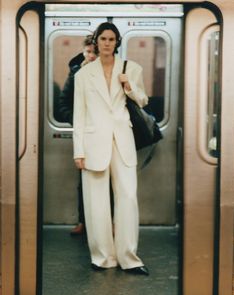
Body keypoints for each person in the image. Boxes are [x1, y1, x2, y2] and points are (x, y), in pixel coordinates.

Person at [73, 22, 149, 275]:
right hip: (94, 141)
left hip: (122, 139)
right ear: (96, 41)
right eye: (103, 39)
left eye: (112, 39)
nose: (107, 43)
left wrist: (129, 86)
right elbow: (79, 115)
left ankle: (129, 258)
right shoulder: (83, 75)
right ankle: (102, 257)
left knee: (128, 197)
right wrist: (78, 151)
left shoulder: (132, 68)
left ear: (117, 42)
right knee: (95, 202)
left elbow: (143, 100)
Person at [58, 35, 96, 235]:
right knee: (84, 180)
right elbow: (62, 104)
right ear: (83, 52)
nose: (91, 56)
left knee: (111, 180)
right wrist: (78, 119)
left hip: (106, 133)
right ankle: (83, 221)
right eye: (88, 52)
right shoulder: (75, 74)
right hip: (85, 134)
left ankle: (111, 222)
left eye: (94, 52)